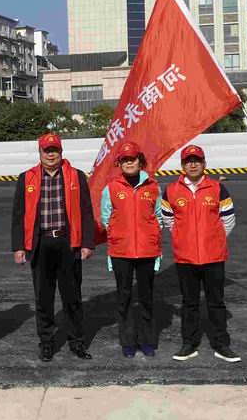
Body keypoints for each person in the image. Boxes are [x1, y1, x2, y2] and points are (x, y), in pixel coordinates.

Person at [11, 132, 96, 362]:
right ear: (40, 153)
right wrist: (18, 247)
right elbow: (18, 215)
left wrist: (88, 243)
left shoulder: (76, 177)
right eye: (46, 150)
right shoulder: (26, 178)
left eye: (54, 150)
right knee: (43, 298)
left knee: (73, 297)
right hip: (40, 244)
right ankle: (46, 343)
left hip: (69, 243)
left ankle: (77, 342)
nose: (50, 154)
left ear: (61, 151)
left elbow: (87, 212)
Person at [161, 145, 240, 363]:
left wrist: (213, 240)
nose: (193, 164)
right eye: (189, 161)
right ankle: (189, 343)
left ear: (204, 164)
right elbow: (168, 220)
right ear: (183, 165)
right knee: (189, 303)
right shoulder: (170, 191)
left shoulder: (217, 188)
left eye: (197, 160)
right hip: (185, 257)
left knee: (216, 301)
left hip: (213, 256)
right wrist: (182, 238)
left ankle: (221, 344)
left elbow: (228, 219)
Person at [100, 141, 163, 359]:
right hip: (121, 252)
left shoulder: (153, 186)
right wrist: (121, 236)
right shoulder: (111, 188)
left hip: (147, 251)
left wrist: (149, 236)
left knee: (146, 297)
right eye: (125, 159)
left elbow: (159, 216)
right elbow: (107, 218)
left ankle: (146, 340)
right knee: (124, 297)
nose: (129, 163)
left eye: (133, 159)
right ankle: (128, 341)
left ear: (140, 161)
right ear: (120, 163)